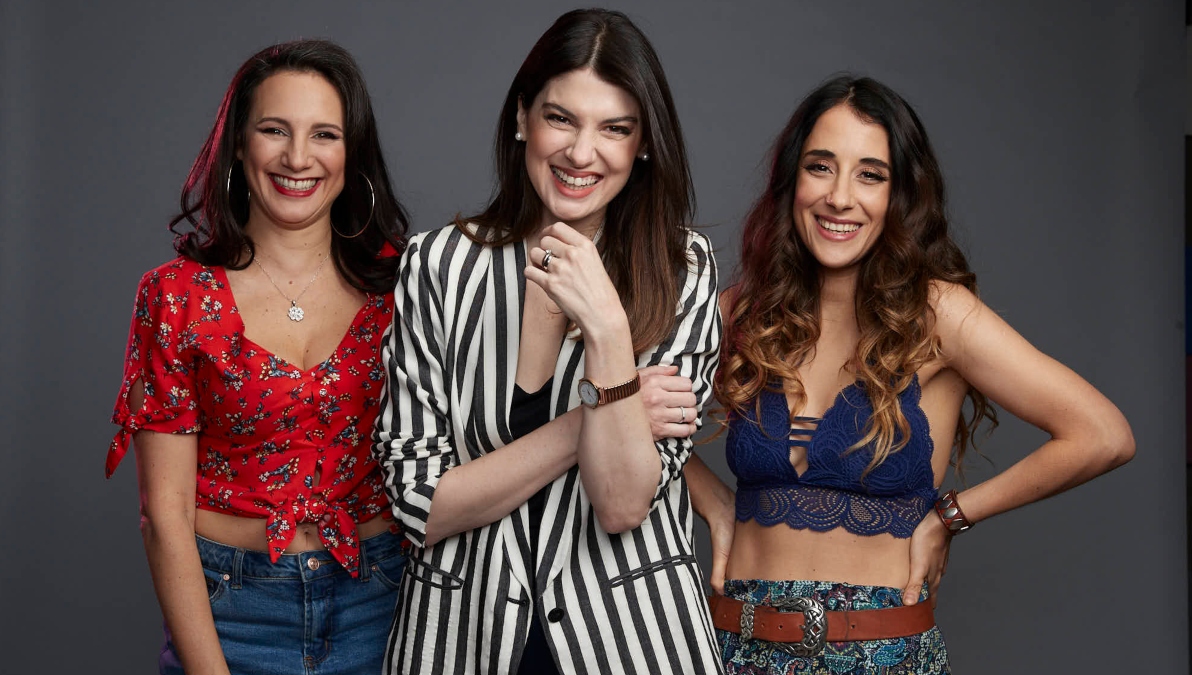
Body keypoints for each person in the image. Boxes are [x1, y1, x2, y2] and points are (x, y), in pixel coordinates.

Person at [698, 75, 1135, 674]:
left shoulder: (938, 316)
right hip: (734, 651)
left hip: (884, 658)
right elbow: (622, 400)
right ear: (791, 181)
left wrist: (952, 516)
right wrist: (713, 500)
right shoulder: (744, 314)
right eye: (820, 167)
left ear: (900, 194)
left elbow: (1103, 434)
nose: (840, 197)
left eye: (870, 175)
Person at [374, 9, 724, 675]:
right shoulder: (439, 265)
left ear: (643, 144)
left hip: (630, 642)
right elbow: (419, 503)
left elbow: (622, 503)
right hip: (461, 641)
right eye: (560, 118)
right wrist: (597, 415)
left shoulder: (683, 269)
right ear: (521, 119)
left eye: (614, 128)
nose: (581, 153)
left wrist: (609, 329)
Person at [105, 39, 411, 675]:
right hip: (230, 615)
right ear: (239, 145)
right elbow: (164, 514)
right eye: (275, 130)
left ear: (351, 152)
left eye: (324, 134)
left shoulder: (405, 287)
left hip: (382, 605)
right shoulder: (176, 296)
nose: (298, 157)